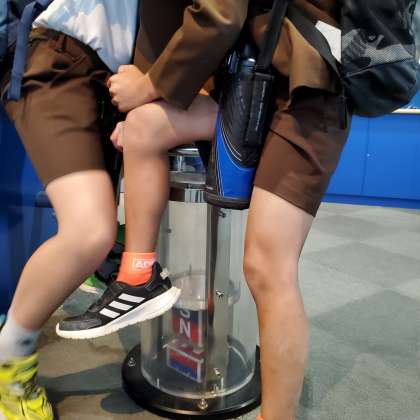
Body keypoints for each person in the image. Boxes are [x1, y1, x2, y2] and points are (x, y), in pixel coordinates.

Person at [59, 1, 352, 419]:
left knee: (267, 268)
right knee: (144, 127)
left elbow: (221, 13)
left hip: (301, 91)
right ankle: (138, 277)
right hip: (245, 86)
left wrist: (148, 86)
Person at [0, 1, 181, 419]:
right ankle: (11, 361)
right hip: (55, 57)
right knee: (90, 232)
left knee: (101, 228)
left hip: (111, 78)